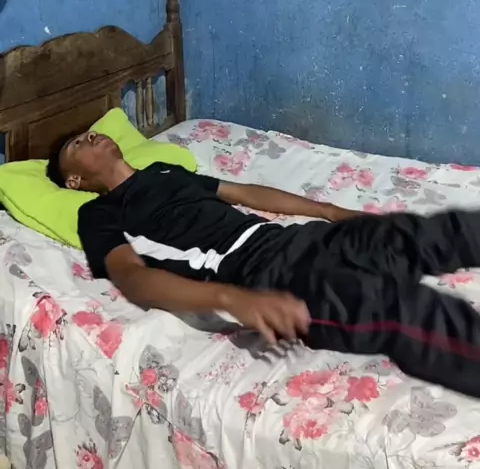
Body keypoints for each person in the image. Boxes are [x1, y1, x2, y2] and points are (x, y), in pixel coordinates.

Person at [48, 129, 480, 399]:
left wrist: (330, 212)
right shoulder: (99, 213)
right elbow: (132, 278)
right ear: (74, 181)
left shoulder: (164, 171)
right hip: (262, 275)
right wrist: (232, 300)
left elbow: (244, 193)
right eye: (77, 144)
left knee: (428, 235)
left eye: (89, 133)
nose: (91, 136)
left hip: (291, 238)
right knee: (405, 311)